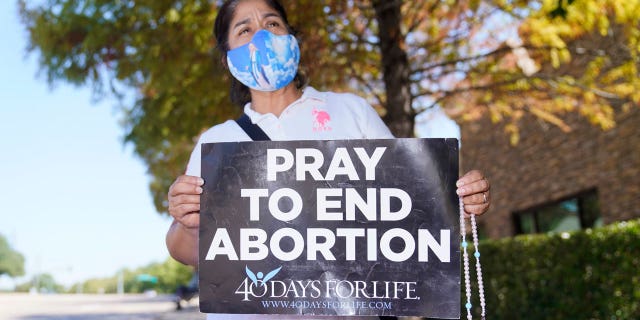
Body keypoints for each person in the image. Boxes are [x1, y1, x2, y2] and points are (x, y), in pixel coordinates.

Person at [166, 0, 492, 319]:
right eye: (245, 30)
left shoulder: (351, 111)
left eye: (272, 23)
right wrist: (188, 223)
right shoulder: (218, 143)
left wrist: (456, 205)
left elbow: (410, 212)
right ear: (227, 59)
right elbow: (188, 252)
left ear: (291, 38)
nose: (262, 35)